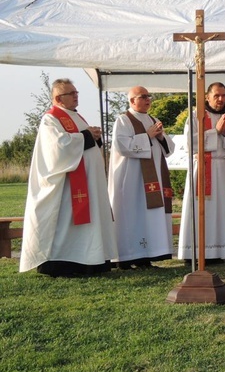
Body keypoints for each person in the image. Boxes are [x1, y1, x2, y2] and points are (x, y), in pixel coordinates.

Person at [19, 79, 117, 277]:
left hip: (88, 183)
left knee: (90, 221)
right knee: (68, 223)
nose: (76, 96)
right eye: (70, 93)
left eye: (76, 92)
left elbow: (81, 140)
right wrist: (87, 136)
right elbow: (58, 147)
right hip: (66, 188)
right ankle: (65, 263)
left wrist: (93, 136)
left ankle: (92, 259)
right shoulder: (51, 119)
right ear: (58, 98)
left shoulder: (75, 116)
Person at [178, 82, 225, 264]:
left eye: (223, 95)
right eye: (216, 95)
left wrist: (224, 134)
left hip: (223, 169)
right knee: (200, 210)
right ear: (206, 97)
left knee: (221, 211)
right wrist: (215, 131)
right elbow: (189, 143)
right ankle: (194, 252)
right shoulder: (196, 116)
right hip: (202, 167)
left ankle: (217, 251)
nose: (220, 99)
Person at [109, 86, 175, 270]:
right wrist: (147, 135)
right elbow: (123, 146)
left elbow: (169, 149)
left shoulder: (153, 119)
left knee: (147, 216)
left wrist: (161, 137)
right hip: (131, 179)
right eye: (143, 97)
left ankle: (146, 256)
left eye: (149, 96)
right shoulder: (123, 120)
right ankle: (127, 256)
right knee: (132, 215)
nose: (148, 100)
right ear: (131, 101)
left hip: (152, 178)